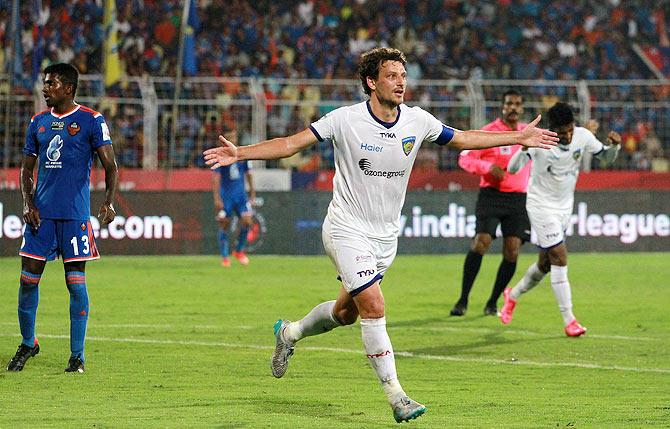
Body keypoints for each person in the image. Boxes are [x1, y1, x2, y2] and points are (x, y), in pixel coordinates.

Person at [203, 47, 557, 423]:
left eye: (403, 75)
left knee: (345, 313)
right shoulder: (345, 119)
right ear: (372, 82)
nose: (401, 82)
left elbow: (463, 139)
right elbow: (291, 144)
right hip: (345, 228)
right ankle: (397, 397)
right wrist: (241, 153)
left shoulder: (417, 121)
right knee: (374, 306)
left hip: (385, 238)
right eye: (391, 75)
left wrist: (518, 137)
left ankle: (289, 333)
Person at [7, 63, 118, 373]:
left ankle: (77, 356)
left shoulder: (91, 121)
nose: (45, 89)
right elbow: (26, 169)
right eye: (45, 83)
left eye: (50, 84)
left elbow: (111, 166)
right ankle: (29, 343)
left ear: (68, 88)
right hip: (41, 217)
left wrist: (108, 203)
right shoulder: (37, 123)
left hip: (74, 217)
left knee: (76, 284)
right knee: (27, 279)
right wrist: (28, 203)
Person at [500, 102, 620, 336]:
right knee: (560, 255)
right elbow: (513, 169)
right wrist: (523, 147)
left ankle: (512, 295)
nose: (566, 136)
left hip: (564, 208)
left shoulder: (582, 136)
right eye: (561, 132)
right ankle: (569, 320)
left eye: (569, 130)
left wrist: (614, 146)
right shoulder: (539, 141)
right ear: (551, 129)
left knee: (546, 264)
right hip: (540, 206)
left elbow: (606, 158)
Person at [449, 90, 532, 317]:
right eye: (509, 103)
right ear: (502, 107)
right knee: (481, 242)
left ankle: (493, 301)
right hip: (491, 195)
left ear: (522, 108)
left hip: (518, 198)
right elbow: (465, 157)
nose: (513, 107)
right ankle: (463, 299)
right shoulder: (489, 132)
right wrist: (487, 168)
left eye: (517, 104)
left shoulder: (527, 134)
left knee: (512, 250)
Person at [212, 128, 256, 267]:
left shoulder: (242, 154)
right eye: (229, 136)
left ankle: (238, 251)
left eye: (234, 136)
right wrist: (217, 197)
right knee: (224, 224)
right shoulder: (221, 156)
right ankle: (225, 257)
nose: (233, 138)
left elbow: (249, 174)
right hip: (226, 197)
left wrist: (252, 192)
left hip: (241, 196)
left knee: (248, 221)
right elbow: (216, 178)